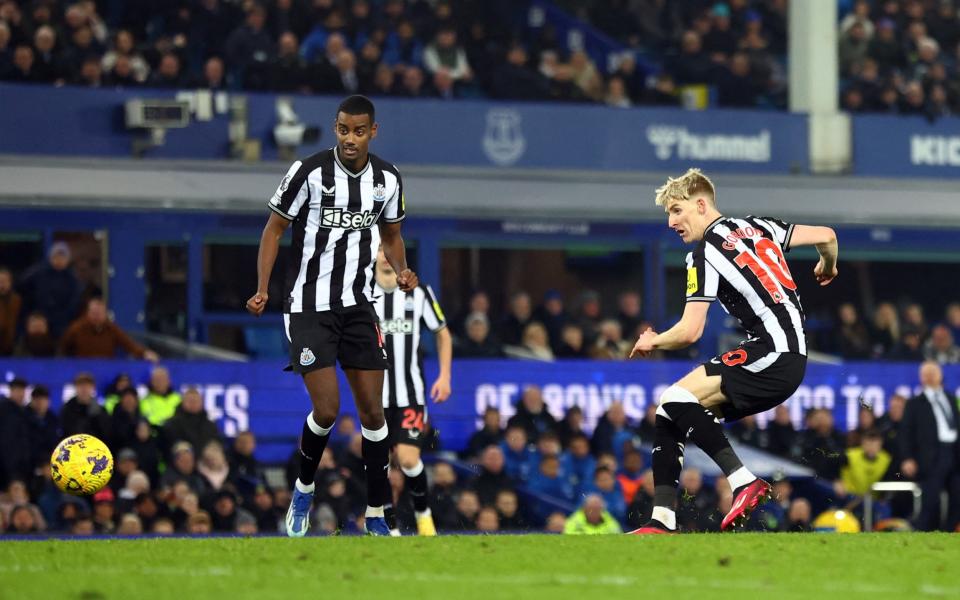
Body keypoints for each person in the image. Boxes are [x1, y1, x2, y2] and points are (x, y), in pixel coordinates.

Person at [630, 168, 839, 534]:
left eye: (676, 211)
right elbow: (827, 235)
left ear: (700, 204)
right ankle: (661, 519)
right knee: (670, 409)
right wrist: (828, 264)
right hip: (789, 357)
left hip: (770, 352)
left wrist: (653, 340)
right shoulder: (761, 227)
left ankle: (743, 481)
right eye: (667, 214)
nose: (670, 222)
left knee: (675, 397)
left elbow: (690, 331)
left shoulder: (704, 253)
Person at [246, 95, 417, 537]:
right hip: (307, 306)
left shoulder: (387, 178)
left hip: (359, 306)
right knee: (326, 409)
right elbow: (274, 228)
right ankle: (303, 489)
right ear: (335, 128)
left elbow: (392, 234)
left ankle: (378, 512)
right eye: (343, 129)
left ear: (372, 132)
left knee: (374, 415)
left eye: (359, 131)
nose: (350, 138)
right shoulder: (307, 172)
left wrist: (400, 270)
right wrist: (264, 288)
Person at [372, 248, 452, 536]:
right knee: (378, 465)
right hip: (373, 399)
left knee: (407, 459)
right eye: (379, 249)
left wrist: (444, 376)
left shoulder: (419, 293)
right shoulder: (360, 290)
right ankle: (390, 527)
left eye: (388, 249)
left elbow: (442, 332)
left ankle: (423, 512)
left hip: (411, 396)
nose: (384, 255)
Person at [899, 361, 960, 531]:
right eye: (926, 373)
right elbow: (905, 433)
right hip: (930, 457)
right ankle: (922, 531)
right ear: (921, 378)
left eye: (933, 372)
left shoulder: (951, 398)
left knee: (958, 496)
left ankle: (947, 531)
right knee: (931, 500)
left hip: (954, 454)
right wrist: (907, 458)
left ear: (940, 375)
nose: (931, 376)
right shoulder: (914, 403)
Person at [59, 297, 159, 361]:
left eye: (100, 313)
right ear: (88, 313)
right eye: (94, 313)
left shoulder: (111, 329)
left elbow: (129, 345)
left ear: (105, 314)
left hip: (105, 369)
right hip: (82, 371)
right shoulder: (76, 328)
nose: (97, 317)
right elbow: (64, 348)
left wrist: (144, 353)